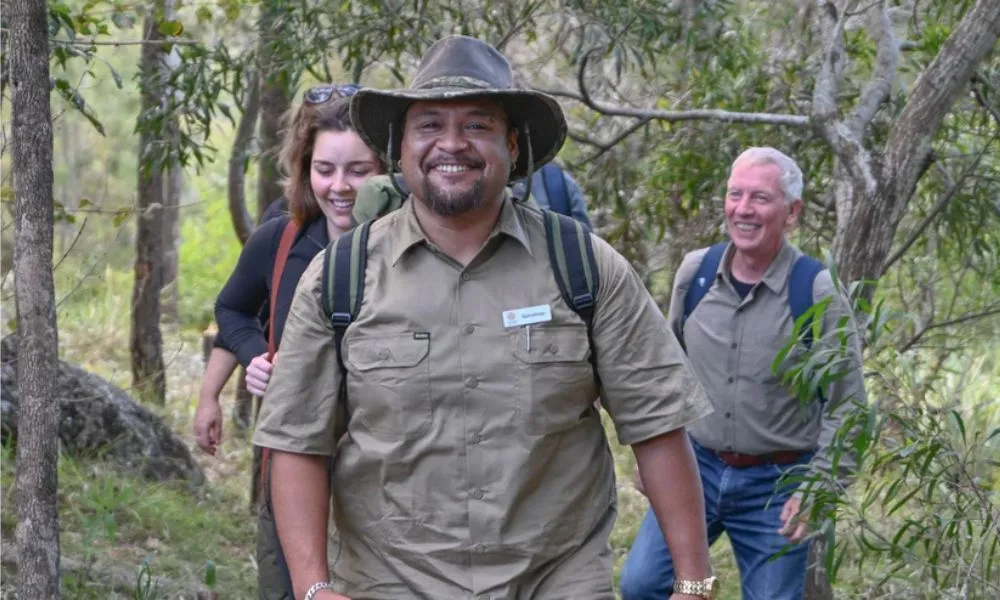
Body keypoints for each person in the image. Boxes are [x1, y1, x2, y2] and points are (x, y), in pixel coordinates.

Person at [253, 35, 719, 600]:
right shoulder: (340, 277)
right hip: (390, 579)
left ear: (512, 145)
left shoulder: (584, 267)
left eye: (477, 125)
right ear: (400, 147)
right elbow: (297, 441)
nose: (452, 143)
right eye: (429, 125)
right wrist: (312, 587)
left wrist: (693, 582)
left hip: (555, 577)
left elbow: (657, 423)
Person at [619, 147, 868, 600]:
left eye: (760, 198)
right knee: (642, 586)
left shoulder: (815, 291)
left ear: (792, 211)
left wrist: (818, 489)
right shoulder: (696, 273)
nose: (743, 209)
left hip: (777, 482)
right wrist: (654, 450)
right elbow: (667, 371)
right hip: (695, 467)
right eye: (736, 195)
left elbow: (848, 406)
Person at [193, 91, 383, 600]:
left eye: (359, 171)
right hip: (293, 455)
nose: (339, 187)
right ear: (304, 169)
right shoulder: (282, 239)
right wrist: (253, 357)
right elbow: (233, 308)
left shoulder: (408, 247)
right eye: (324, 170)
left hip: (384, 464)